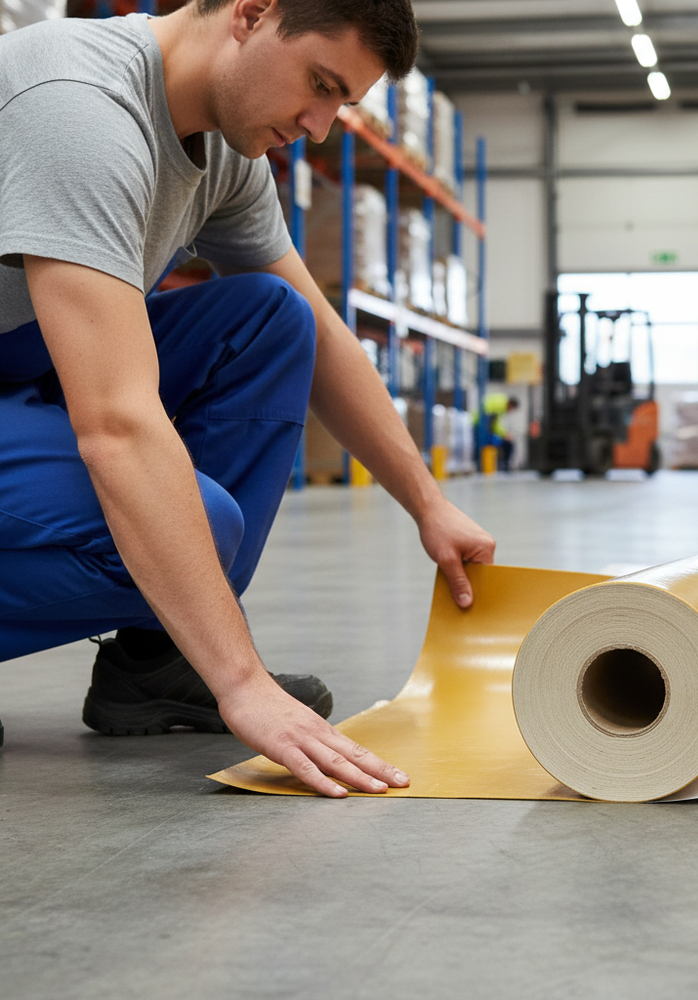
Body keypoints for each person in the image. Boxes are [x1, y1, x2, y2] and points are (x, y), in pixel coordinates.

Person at [0, 0, 497, 798]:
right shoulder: (80, 110)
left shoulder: (225, 154)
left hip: (14, 354)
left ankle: (153, 660)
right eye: (320, 85)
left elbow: (326, 337)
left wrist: (427, 502)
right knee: (207, 525)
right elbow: (118, 426)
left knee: (272, 317)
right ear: (253, 13)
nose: (322, 125)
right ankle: (192, 646)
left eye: (343, 104)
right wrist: (241, 682)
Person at [480, 392, 520, 472]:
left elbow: (495, 424)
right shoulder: (499, 406)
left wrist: (504, 434)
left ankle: (504, 465)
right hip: (482, 429)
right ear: (510, 405)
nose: (510, 411)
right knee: (505, 444)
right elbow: (493, 423)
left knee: (507, 443)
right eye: (512, 409)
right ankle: (505, 465)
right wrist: (504, 434)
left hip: (486, 429)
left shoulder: (500, 405)